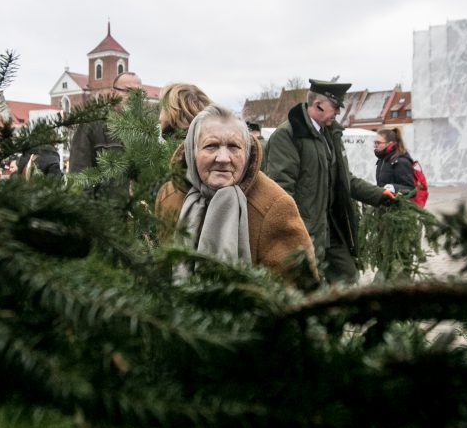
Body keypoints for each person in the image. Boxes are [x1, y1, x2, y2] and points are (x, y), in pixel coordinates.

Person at [155, 104, 318, 286]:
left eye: (233, 147)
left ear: (246, 153)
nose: (223, 158)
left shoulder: (274, 207)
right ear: (192, 152)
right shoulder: (170, 195)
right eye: (211, 146)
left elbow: (299, 292)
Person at [263, 78, 394, 284]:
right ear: (318, 105)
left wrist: (379, 195)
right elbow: (280, 190)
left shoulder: (332, 134)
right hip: (305, 229)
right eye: (335, 107)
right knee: (307, 285)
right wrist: (291, 233)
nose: (338, 113)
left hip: (331, 227)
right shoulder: (288, 135)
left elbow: (345, 180)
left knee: (348, 275)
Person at [68, 71, 143, 172]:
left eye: (138, 93)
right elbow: (79, 173)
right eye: (128, 90)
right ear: (113, 94)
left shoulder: (144, 129)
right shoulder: (91, 125)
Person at [373, 127, 414, 195]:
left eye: (378, 143)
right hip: (384, 202)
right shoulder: (382, 159)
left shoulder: (401, 161)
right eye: (375, 142)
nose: (375, 145)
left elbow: (410, 188)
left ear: (390, 143)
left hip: (397, 203)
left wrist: (394, 188)